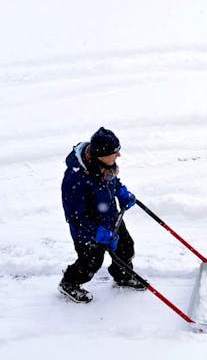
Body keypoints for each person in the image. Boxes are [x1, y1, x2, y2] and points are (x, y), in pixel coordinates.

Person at [59, 127, 146, 303]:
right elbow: (74, 216)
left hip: (110, 218)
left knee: (126, 247)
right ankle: (69, 282)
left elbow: (112, 182)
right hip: (87, 230)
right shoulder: (75, 178)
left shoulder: (104, 165)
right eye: (115, 152)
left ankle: (122, 276)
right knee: (91, 262)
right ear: (101, 154)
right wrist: (97, 232)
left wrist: (121, 191)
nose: (119, 155)